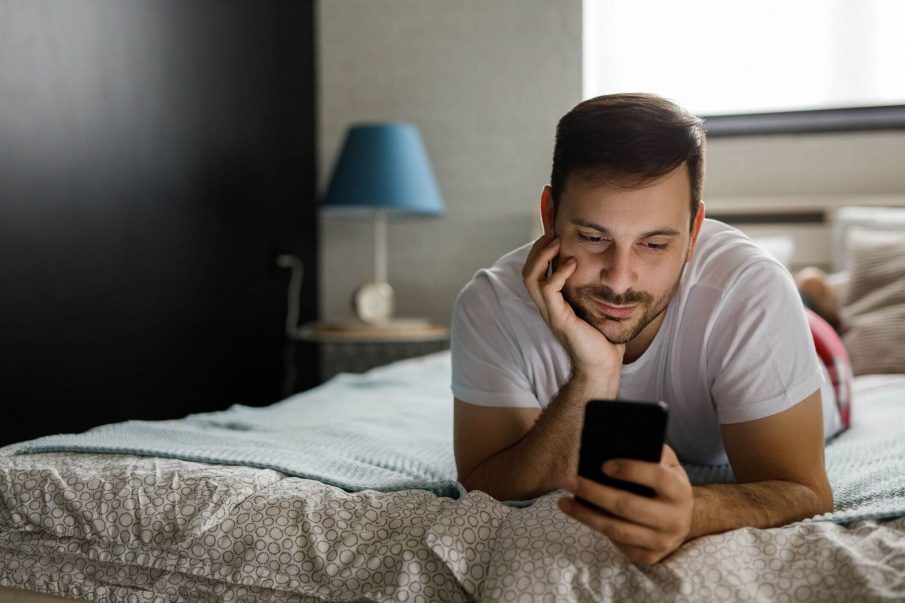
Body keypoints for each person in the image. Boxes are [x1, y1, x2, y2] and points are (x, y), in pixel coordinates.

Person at [450, 93, 833, 565]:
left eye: (653, 244)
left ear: (694, 232)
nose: (618, 279)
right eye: (594, 238)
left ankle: (821, 297)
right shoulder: (490, 304)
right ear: (549, 216)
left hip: (824, 360)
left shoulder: (752, 292)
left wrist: (696, 509)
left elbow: (804, 490)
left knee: (820, 325)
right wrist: (595, 375)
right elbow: (485, 487)